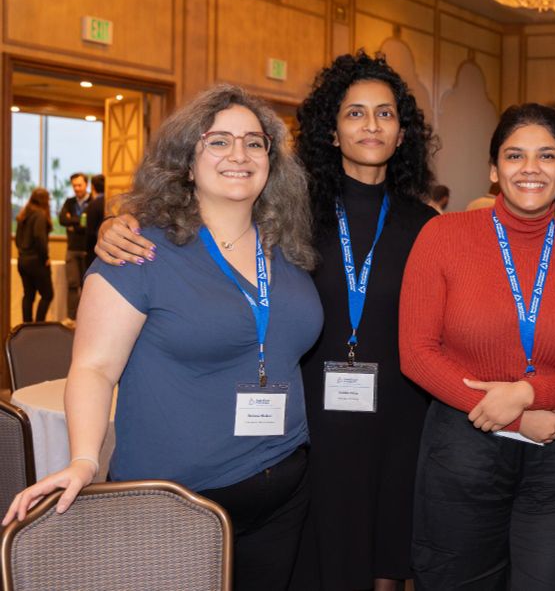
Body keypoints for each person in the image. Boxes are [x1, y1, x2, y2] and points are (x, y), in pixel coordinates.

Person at [93, 52, 439, 591]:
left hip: (393, 420)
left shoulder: (426, 226)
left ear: (403, 132)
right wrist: (119, 222)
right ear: (329, 129)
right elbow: (202, 224)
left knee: (386, 566)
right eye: (354, 113)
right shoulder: (294, 213)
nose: (370, 125)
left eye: (385, 114)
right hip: (309, 427)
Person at [4, 85, 322, 591]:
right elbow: (94, 367)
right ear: (186, 163)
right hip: (174, 501)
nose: (239, 154)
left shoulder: (286, 249)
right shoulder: (140, 250)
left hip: (283, 492)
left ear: (270, 162)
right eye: (218, 142)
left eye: (254, 142)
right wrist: (85, 458)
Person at [400, 103, 555, 589]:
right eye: (515, 155)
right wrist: (517, 418)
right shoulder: (442, 236)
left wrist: (525, 393)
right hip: (462, 445)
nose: (531, 168)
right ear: (494, 169)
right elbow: (416, 353)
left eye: (547, 156)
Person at [15, 187, 54, 323]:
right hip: (36, 261)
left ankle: (26, 325)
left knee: (28, 295)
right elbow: (40, 239)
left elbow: (18, 240)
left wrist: (23, 252)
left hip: (22, 260)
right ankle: (38, 325)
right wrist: (45, 258)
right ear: (45, 201)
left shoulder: (23, 214)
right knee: (48, 295)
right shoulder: (39, 215)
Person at [58, 172, 91, 322]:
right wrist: (79, 222)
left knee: (87, 286)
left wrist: (73, 222)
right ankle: (71, 318)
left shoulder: (93, 201)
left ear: (86, 185)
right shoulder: (69, 202)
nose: (77, 188)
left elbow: (89, 226)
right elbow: (62, 219)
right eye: (74, 186)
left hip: (87, 250)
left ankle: (85, 319)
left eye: (80, 185)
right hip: (72, 249)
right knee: (72, 284)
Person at [84, 174, 106, 269]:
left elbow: (90, 231)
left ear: (92, 187)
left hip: (95, 250)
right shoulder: (111, 202)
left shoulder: (93, 205)